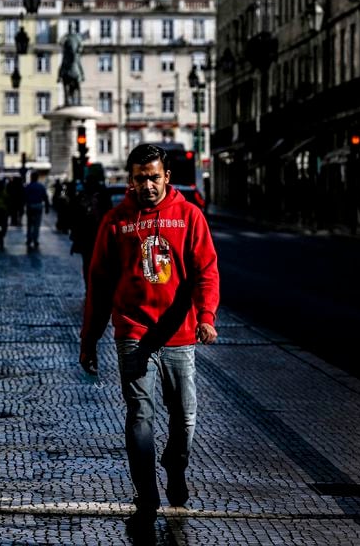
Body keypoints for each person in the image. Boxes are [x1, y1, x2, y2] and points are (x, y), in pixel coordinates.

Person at [79, 143, 220, 534]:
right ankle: (147, 493)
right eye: (140, 178)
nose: (148, 185)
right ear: (130, 180)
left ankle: (175, 465)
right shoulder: (115, 221)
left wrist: (206, 317)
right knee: (140, 413)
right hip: (134, 333)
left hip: (179, 333)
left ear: (166, 177)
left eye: (154, 177)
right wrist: (89, 340)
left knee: (184, 416)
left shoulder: (189, 217)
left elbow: (206, 270)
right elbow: (99, 285)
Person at [68, 163, 113, 286]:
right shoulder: (95, 195)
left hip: (92, 235)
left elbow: (75, 218)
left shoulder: (88, 196)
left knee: (90, 263)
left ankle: (91, 287)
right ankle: (92, 287)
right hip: (93, 235)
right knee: (93, 263)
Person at [23, 170, 52, 250]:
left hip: (30, 205)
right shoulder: (41, 186)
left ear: (32, 177)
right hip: (38, 205)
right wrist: (47, 207)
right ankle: (35, 239)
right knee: (36, 224)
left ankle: (29, 239)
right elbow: (45, 197)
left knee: (29, 224)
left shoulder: (28, 186)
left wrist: (23, 207)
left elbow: (24, 197)